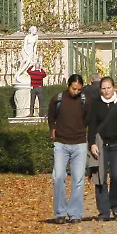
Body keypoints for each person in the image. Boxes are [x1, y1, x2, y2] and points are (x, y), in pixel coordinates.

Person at [47, 74, 91, 225]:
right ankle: (60, 212)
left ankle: (75, 213)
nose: (76, 92)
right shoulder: (57, 99)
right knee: (58, 177)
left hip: (79, 143)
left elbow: (88, 119)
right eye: (74, 89)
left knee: (78, 179)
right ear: (68, 86)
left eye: (79, 89)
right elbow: (51, 116)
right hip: (61, 144)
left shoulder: (85, 101)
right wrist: (52, 128)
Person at [87, 76, 117, 222]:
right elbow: (92, 124)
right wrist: (92, 143)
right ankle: (104, 211)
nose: (106, 91)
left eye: (108, 88)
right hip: (101, 144)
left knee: (116, 176)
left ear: (114, 87)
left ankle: (114, 204)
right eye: (103, 88)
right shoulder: (96, 103)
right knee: (100, 179)